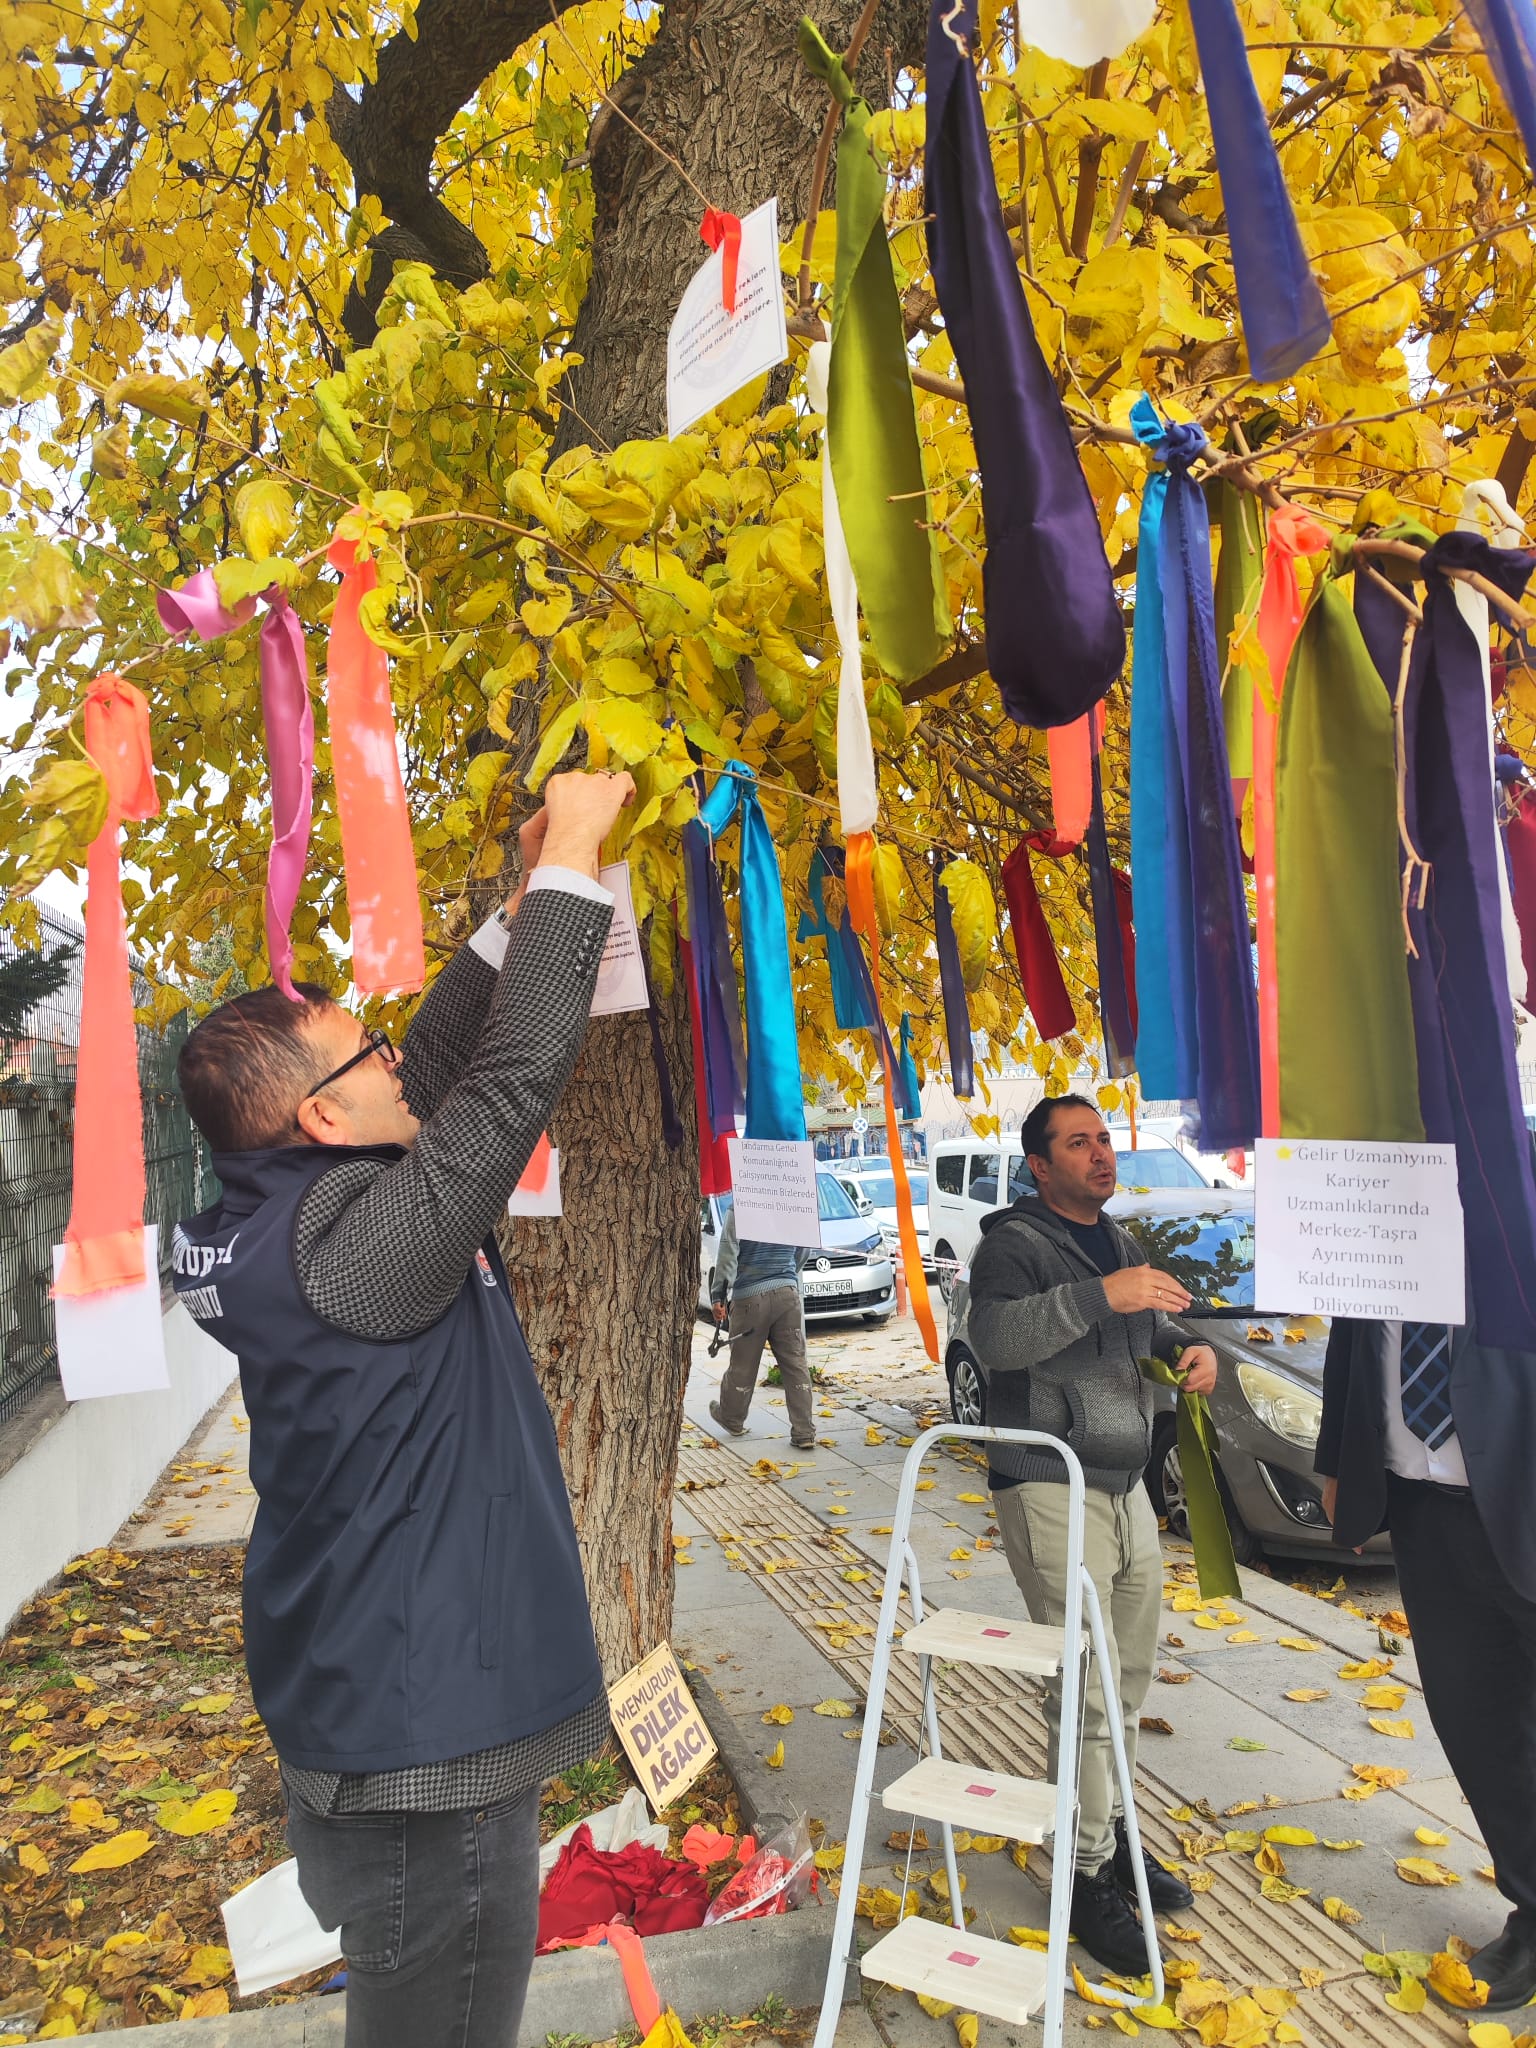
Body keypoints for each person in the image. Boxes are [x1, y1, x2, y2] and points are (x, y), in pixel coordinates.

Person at [170, 769, 634, 2048]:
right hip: (427, 1745)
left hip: (376, 1697)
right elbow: (503, 1088)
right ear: (325, 1113)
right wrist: (579, 866)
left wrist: (524, 888)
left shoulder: (289, 1207)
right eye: (362, 1051)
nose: (395, 1053)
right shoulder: (362, 1245)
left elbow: (432, 1067)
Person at [965, 1094, 1218, 1976]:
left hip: (1124, 1485)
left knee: (1129, 1678)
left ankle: (1109, 1839)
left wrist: (1192, 1348)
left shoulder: (1120, 1241)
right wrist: (1096, 1294)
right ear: (1040, 1165)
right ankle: (1077, 1873)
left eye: (1105, 1138)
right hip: (1047, 1484)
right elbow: (994, 1338)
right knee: (1087, 1682)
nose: (1101, 1153)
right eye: (1079, 1142)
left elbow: (1153, 1320)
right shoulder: (1012, 1245)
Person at [1318, 1313, 1536, 2009]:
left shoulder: (1512, 1206)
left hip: (1525, 1497)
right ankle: (1534, 1911)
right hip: (1423, 1509)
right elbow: (1351, 1339)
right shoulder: (1377, 1207)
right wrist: (1336, 1463)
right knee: (1480, 1726)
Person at [706, 1202, 815, 1450]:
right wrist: (785, 1274)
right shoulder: (793, 1202)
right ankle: (804, 1431)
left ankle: (731, 1418)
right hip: (788, 1294)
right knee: (795, 1364)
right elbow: (804, 1250)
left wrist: (718, 1295)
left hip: (750, 1298)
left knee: (743, 1364)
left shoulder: (741, 1205)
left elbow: (728, 1254)